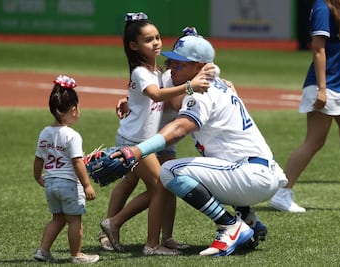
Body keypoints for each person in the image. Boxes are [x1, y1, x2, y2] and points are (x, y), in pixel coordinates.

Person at [110, 35, 288, 257]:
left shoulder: (203, 93)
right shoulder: (214, 84)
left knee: (170, 171)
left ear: (200, 67)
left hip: (250, 175)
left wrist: (138, 150)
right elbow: (174, 101)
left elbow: (179, 128)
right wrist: (135, 102)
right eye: (172, 61)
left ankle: (229, 225)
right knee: (210, 167)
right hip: (258, 173)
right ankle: (249, 220)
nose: (172, 68)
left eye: (179, 64)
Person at [99, 13, 211, 255]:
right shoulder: (147, 72)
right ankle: (123, 229)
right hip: (136, 141)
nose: (157, 43)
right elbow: (156, 95)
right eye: (150, 39)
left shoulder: (158, 72)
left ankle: (163, 238)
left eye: (158, 38)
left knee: (167, 184)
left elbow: (147, 96)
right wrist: (191, 86)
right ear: (134, 46)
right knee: (157, 186)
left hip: (152, 141)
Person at [269, 0, 340, 213]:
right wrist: (322, 89)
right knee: (314, 141)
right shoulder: (323, 7)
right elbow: (318, 49)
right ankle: (281, 193)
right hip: (326, 85)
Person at [33, 75, 99, 264]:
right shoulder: (73, 135)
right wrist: (87, 185)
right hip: (69, 184)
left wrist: (38, 177)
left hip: (51, 183)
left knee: (57, 219)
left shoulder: (45, 132)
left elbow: (38, 158)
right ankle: (77, 255)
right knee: (74, 221)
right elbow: (77, 162)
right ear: (73, 109)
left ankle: (43, 251)